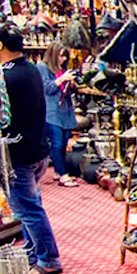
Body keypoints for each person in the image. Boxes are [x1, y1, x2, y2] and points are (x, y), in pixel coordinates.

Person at [0, 23, 64, 274]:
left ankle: (48, 258)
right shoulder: (29, 69)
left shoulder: (6, 77)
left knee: (28, 209)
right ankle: (34, 253)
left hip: (19, 152)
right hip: (36, 148)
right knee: (31, 205)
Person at [38, 42, 80, 187]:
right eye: (60, 55)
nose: (62, 59)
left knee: (64, 141)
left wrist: (73, 84)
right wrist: (61, 79)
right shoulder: (43, 67)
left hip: (65, 110)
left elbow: (68, 91)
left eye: (64, 56)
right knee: (56, 142)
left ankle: (58, 170)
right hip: (51, 110)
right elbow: (46, 88)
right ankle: (63, 174)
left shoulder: (63, 69)